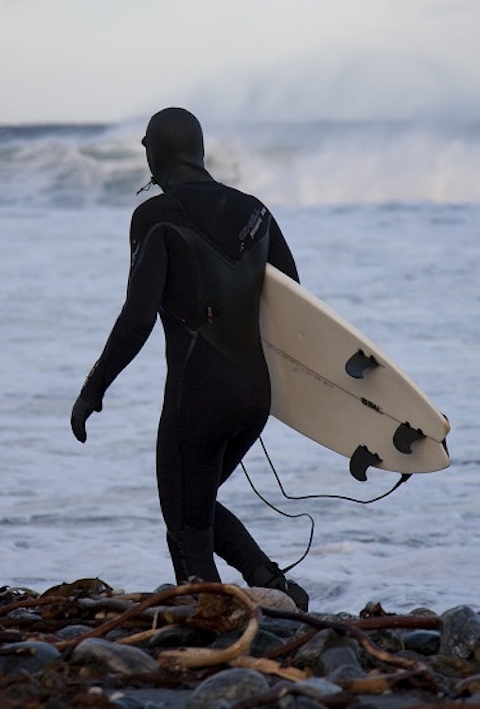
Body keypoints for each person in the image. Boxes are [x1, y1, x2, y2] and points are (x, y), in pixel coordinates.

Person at [70, 106, 309, 610]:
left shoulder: (154, 216)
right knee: (192, 500)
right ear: (197, 151)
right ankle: (275, 586)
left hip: (198, 394)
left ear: (155, 153)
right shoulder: (255, 211)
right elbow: (294, 301)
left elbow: (137, 318)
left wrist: (94, 388)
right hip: (253, 396)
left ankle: (210, 609)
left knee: (183, 520)